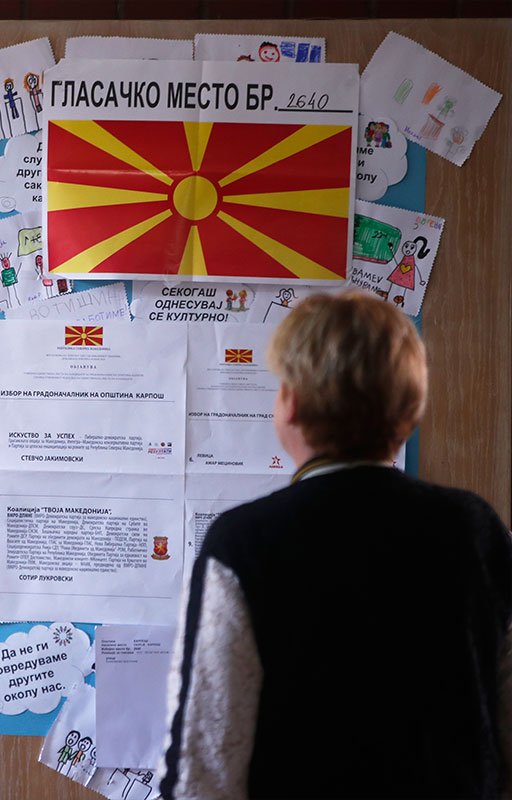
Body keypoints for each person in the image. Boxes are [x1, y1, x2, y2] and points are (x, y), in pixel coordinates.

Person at [160, 292, 512, 799]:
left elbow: (205, 764)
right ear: (410, 408)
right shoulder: (477, 529)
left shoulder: (242, 543)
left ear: (291, 403)